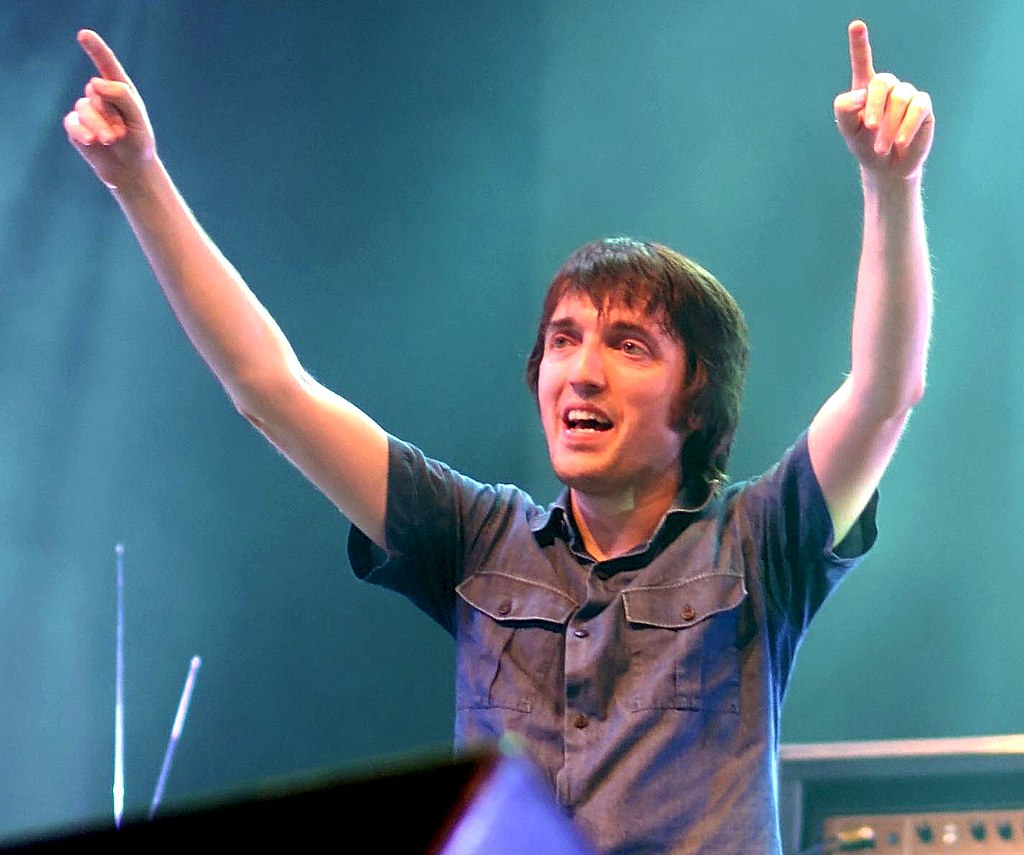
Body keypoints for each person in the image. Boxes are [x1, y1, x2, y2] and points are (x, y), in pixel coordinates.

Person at [64, 18, 933, 855]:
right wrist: (139, 180)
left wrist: (890, 187)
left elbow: (885, 392)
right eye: (563, 339)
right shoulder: (479, 538)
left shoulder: (757, 543)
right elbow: (272, 391)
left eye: (628, 345)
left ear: (698, 400)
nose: (581, 371)